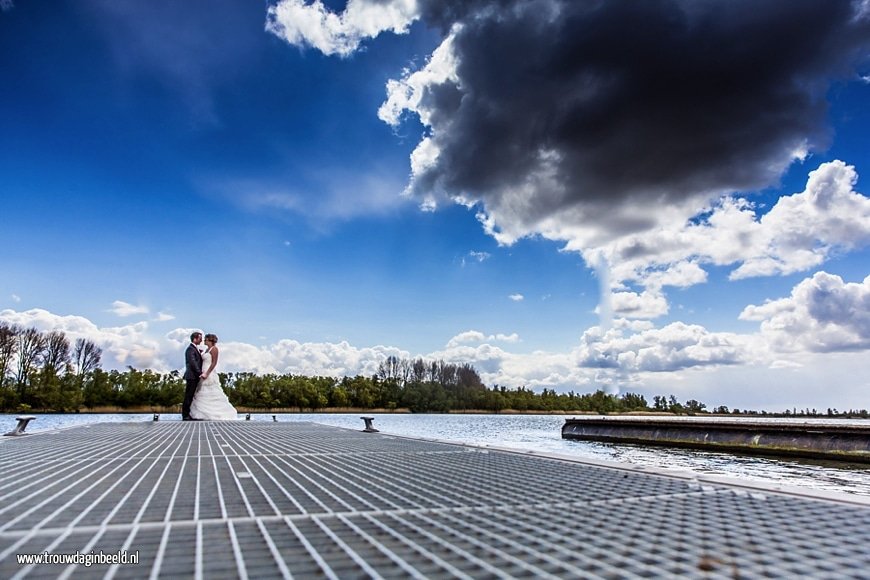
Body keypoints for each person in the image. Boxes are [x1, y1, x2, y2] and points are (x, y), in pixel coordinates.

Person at [190, 333, 238, 420]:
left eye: (206, 340)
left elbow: (214, 363)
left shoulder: (214, 349)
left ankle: (215, 413)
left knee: (211, 391)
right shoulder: (206, 349)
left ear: (210, 340)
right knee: (201, 392)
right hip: (202, 371)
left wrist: (207, 373)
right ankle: (201, 413)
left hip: (208, 372)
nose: (204, 341)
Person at [182, 331, 203, 421]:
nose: (201, 340)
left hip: (193, 376)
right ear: (195, 339)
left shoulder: (194, 349)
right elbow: (192, 362)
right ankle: (185, 415)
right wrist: (199, 373)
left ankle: (188, 414)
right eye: (200, 338)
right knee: (188, 396)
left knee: (190, 396)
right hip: (192, 376)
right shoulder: (190, 349)